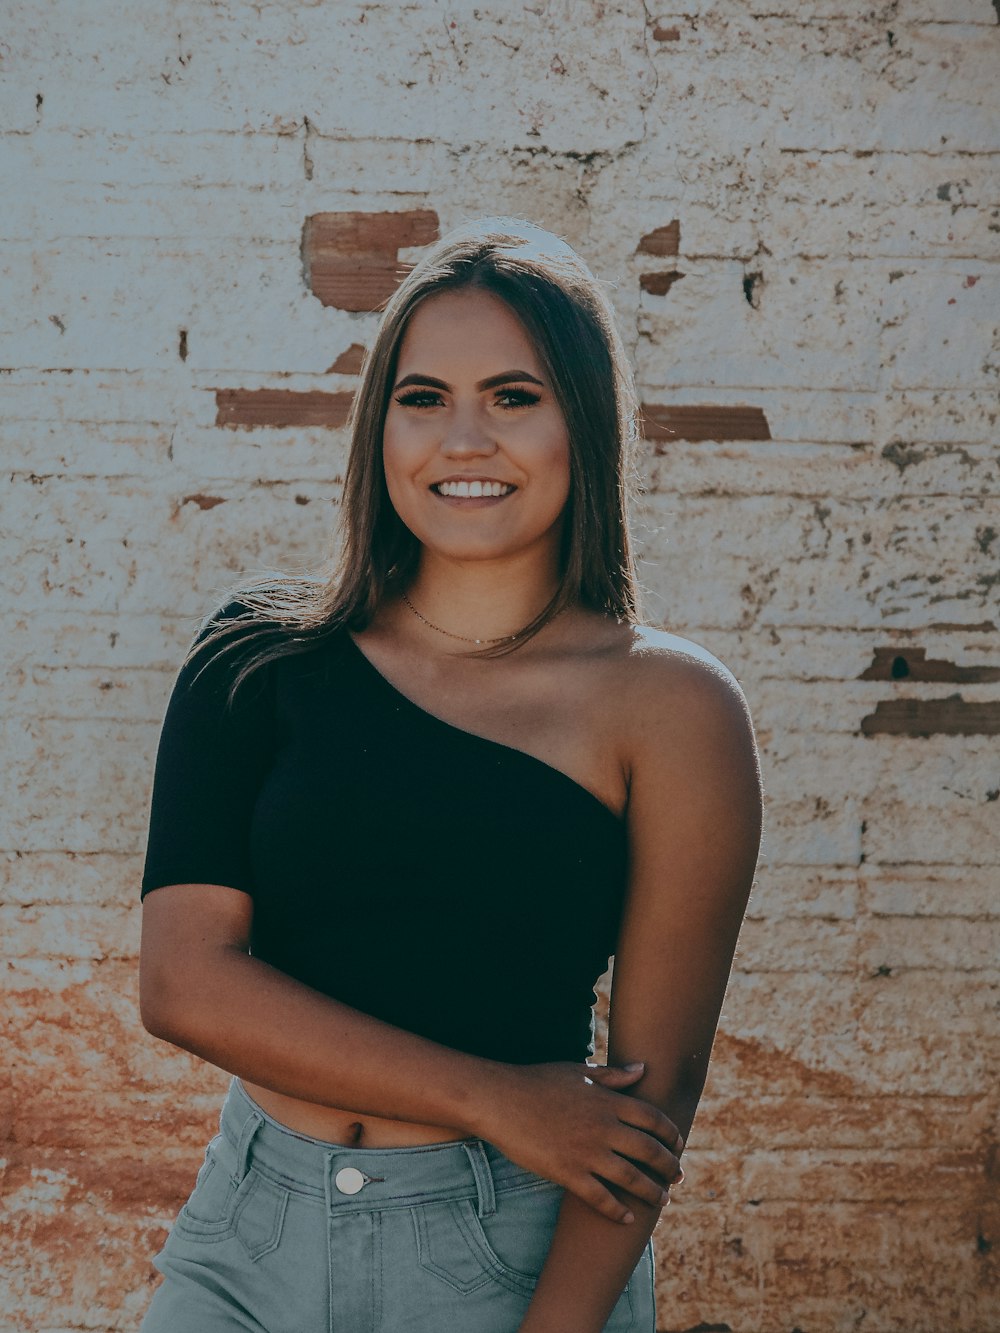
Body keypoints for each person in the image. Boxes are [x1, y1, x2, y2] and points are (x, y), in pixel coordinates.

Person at [136, 215, 763, 1333]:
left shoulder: (670, 707)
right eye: (422, 397)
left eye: (514, 397)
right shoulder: (257, 655)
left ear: (584, 421)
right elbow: (185, 982)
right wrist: (496, 1094)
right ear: (380, 427)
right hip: (248, 1234)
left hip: (503, 1248)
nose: (462, 439)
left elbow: (648, 1102)